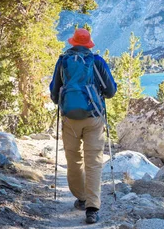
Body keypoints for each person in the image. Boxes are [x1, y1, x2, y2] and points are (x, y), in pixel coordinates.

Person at [49, 28, 117, 224]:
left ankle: (81, 197)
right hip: (94, 118)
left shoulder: (63, 61)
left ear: (73, 43)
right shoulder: (96, 61)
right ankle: (92, 208)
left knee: (73, 159)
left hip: (70, 118)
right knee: (94, 161)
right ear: (88, 44)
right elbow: (110, 91)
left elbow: (55, 93)